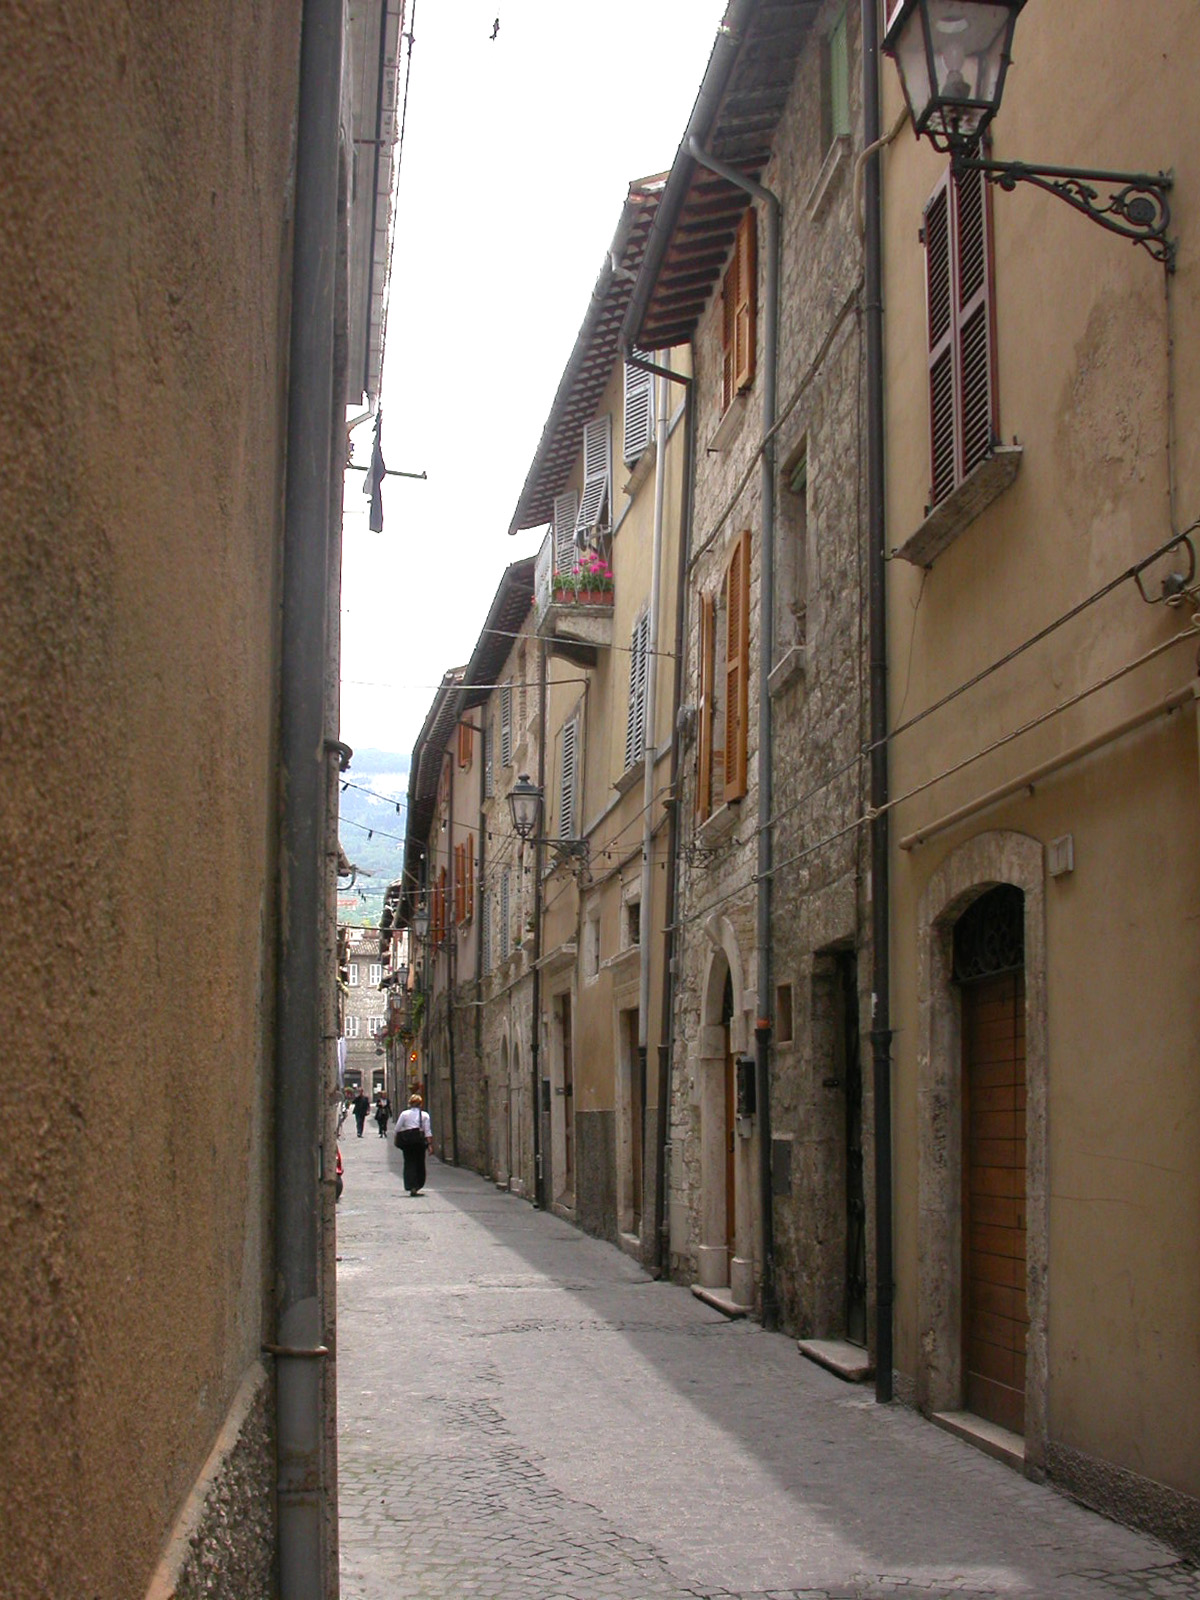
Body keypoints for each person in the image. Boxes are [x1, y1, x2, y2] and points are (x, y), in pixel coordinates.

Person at [393, 1092, 432, 1195]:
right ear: (420, 1104)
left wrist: (397, 1138)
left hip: (408, 1142)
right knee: (419, 1163)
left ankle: (411, 1185)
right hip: (419, 1142)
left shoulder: (404, 1114)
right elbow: (427, 1131)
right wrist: (430, 1145)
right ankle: (418, 1184)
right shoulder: (424, 1115)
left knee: (409, 1162)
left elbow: (397, 1128)